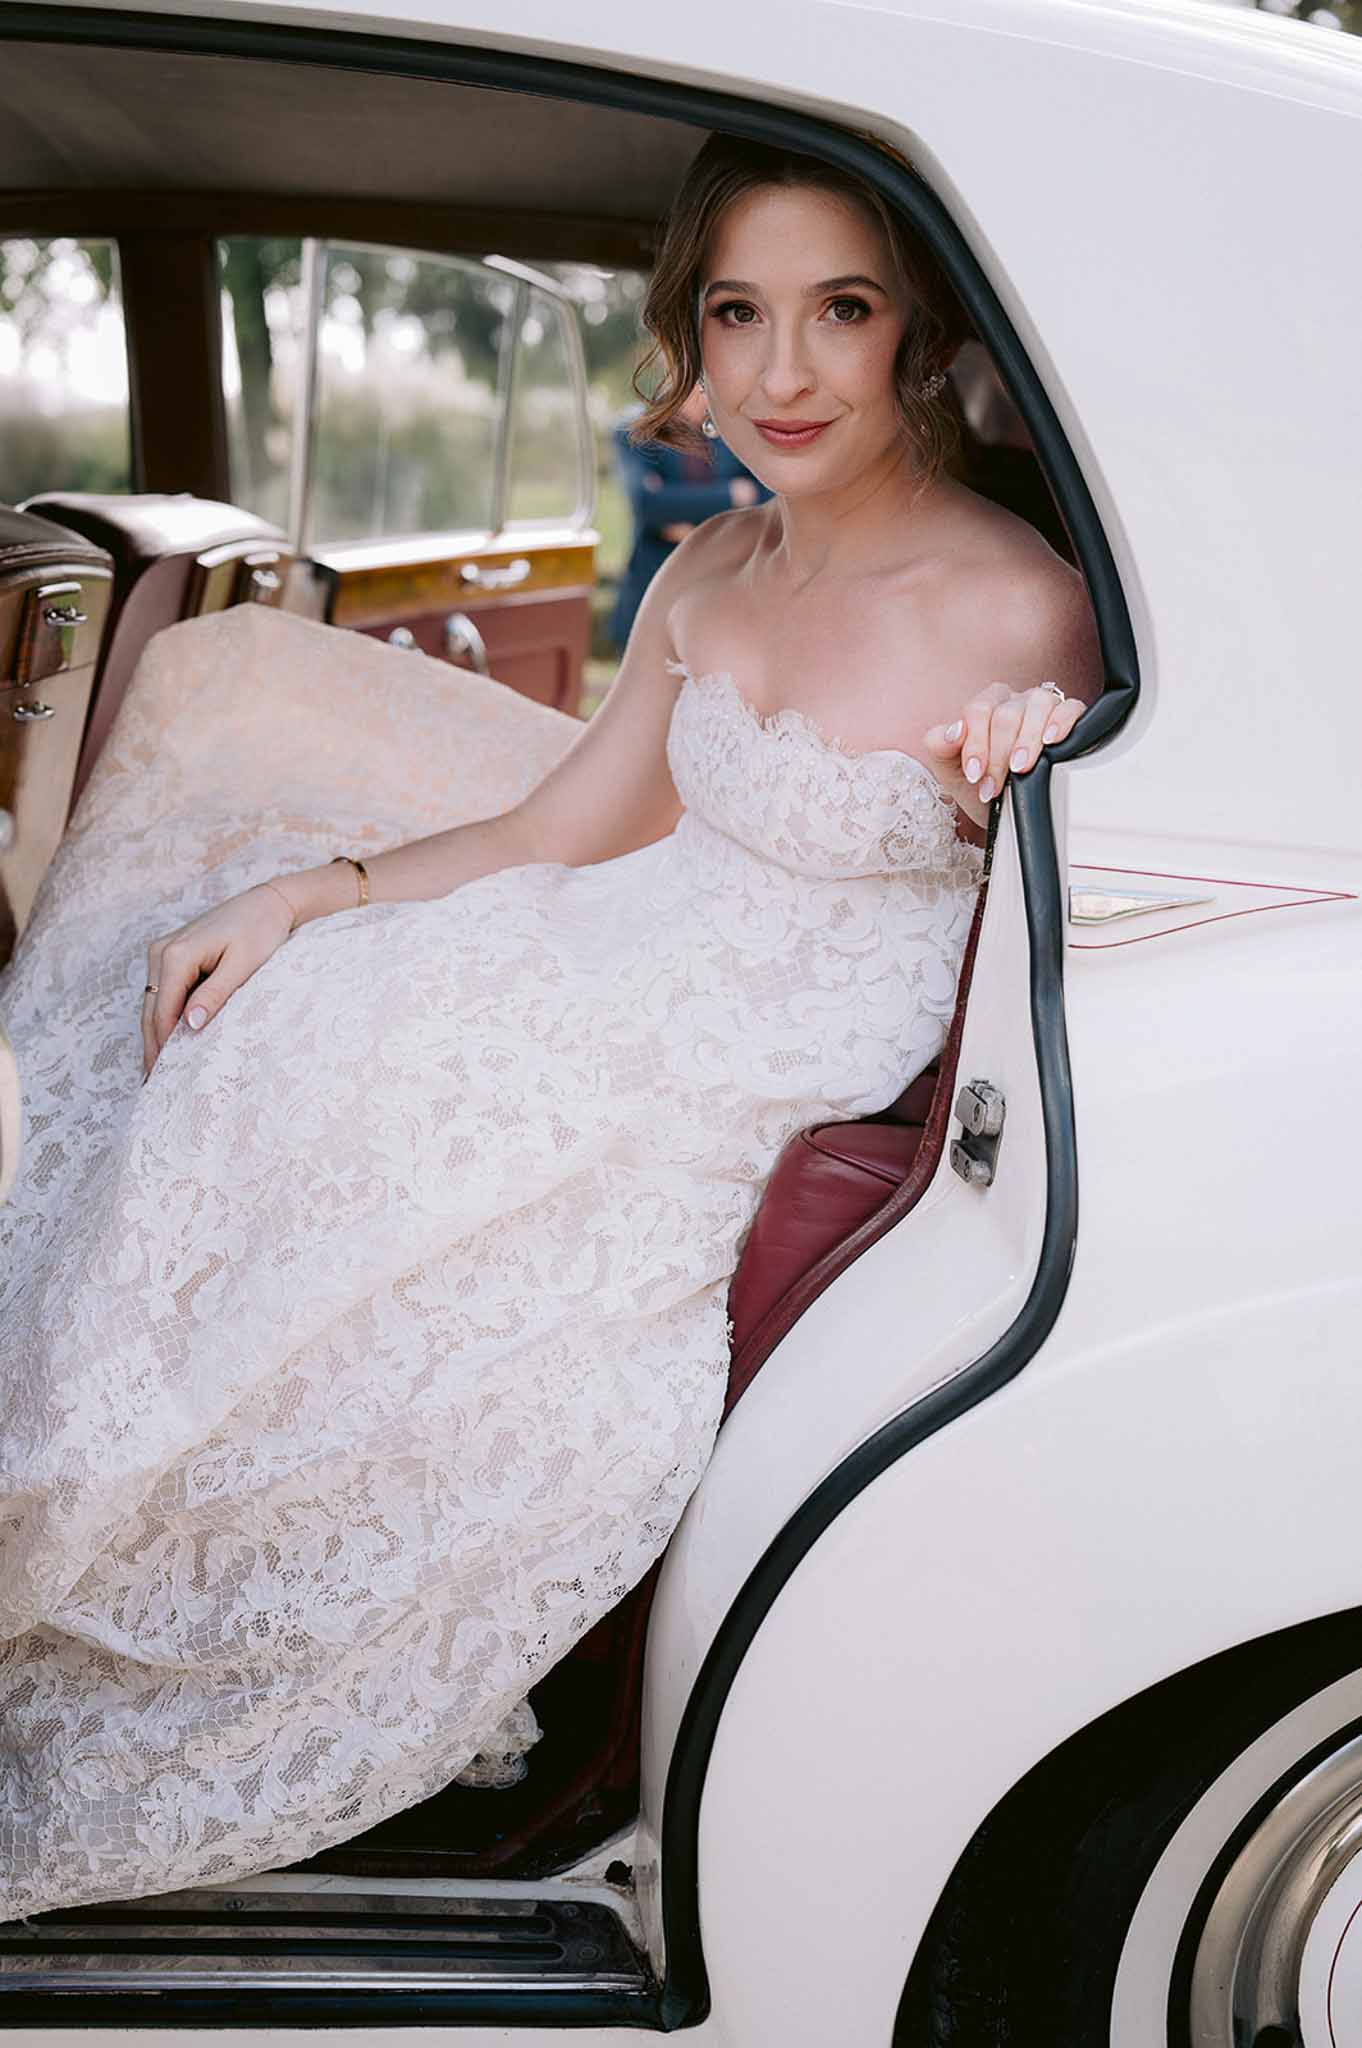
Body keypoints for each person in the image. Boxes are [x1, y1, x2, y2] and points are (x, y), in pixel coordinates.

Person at [0, 133, 1101, 1921]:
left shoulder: (1014, 603)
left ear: (916, 334)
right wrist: (313, 892)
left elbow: (1062, 882)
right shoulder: (715, 570)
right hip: (603, 958)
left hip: (734, 1073)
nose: (782, 371)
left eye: (841, 310)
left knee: (381, 1164)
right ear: (692, 335)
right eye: (737, 314)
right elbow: (549, 833)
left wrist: (1030, 777)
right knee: (270, 1031)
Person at [609, 382, 768, 651]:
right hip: (652, 591)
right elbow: (647, 503)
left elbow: (767, 497)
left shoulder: (736, 433)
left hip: (723, 593)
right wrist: (732, 495)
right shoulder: (638, 429)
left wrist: (679, 509)